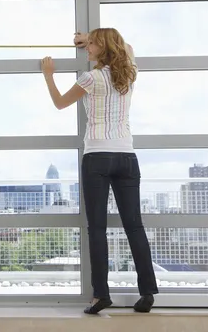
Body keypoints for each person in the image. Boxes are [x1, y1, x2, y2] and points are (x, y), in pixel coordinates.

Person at [40, 28, 158, 314]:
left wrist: (48, 75)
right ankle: (147, 293)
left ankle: (101, 295)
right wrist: (92, 41)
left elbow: (59, 103)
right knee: (135, 226)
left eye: (91, 44)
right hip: (127, 157)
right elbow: (127, 46)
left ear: (102, 48)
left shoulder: (91, 78)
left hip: (97, 157)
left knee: (97, 229)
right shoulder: (128, 74)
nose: (87, 47)